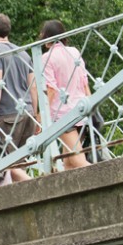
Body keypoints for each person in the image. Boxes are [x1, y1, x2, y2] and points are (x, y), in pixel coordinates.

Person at [0, 14, 39, 182]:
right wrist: (36, 116)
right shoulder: (23, 53)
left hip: (7, 116)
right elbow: (34, 86)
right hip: (27, 113)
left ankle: (40, 187)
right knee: (19, 163)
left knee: (6, 164)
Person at [39, 20, 91, 170]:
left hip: (63, 115)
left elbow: (52, 90)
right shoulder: (74, 51)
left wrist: (41, 117)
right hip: (81, 109)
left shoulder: (46, 58)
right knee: (69, 163)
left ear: (47, 37)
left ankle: (112, 178)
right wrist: (91, 107)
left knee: (78, 161)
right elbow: (84, 81)